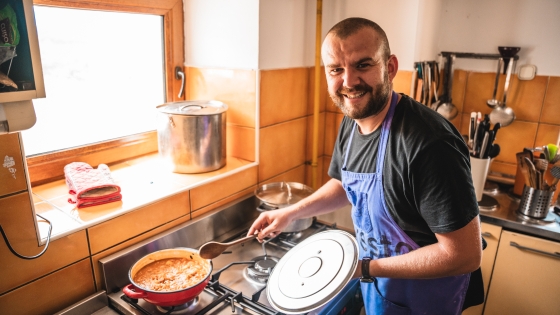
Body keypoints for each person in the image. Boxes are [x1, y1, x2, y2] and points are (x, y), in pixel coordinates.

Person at [248, 17, 483, 314]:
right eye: (336, 69)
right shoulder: (352, 121)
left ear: (391, 67)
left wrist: (363, 268)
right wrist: (291, 213)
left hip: (427, 298)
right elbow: (346, 184)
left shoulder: (429, 144)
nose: (348, 82)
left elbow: (464, 255)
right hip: (381, 288)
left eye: (362, 65)